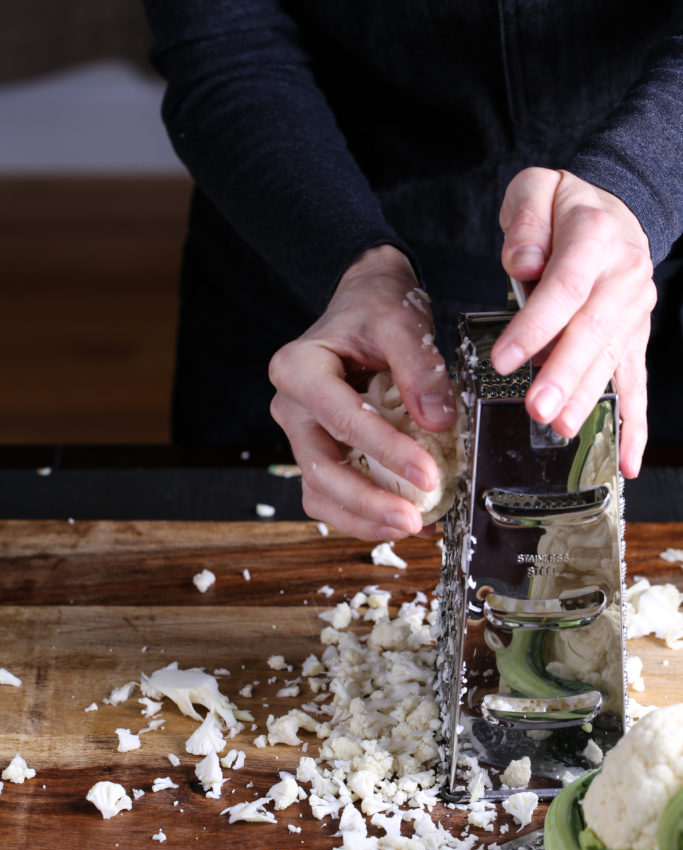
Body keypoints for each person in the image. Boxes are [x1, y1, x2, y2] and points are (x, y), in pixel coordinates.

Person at [143, 2, 683, 540]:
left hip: (650, 250)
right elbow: (226, 42)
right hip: (304, 233)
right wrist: (348, 261)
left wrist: (637, 184)